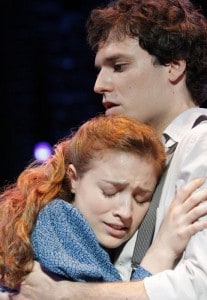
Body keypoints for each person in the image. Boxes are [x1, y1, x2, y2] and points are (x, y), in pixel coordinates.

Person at [1, 0, 207, 299]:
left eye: (119, 66)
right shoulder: (127, 156)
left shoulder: (200, 144)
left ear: (173, 66)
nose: (99, 85)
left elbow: (201, 284)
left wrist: (65, 294)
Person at [1, 114, 207, 295]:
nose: (126, 212)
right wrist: (164, 249)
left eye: (141, 198)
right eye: (110, 192)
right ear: (73, 178)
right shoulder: (59, 219)